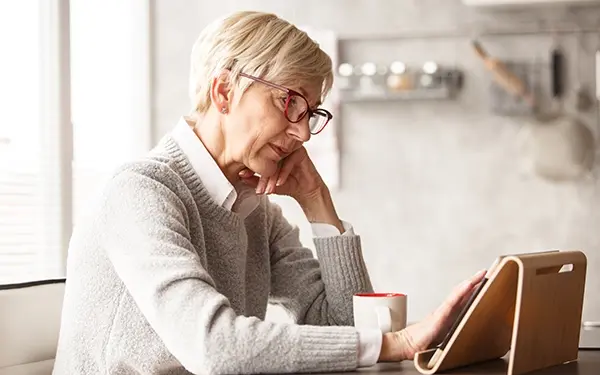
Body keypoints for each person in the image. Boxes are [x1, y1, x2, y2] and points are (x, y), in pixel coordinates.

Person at [52, 10, 485, 375]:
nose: (302, 132)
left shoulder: (254, 211)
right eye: (290, 102)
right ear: (224, 91)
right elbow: (214, 346)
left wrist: (317, 202)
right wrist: (399, 343)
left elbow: (343, 324)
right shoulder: (140, 191)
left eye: (310, 113)